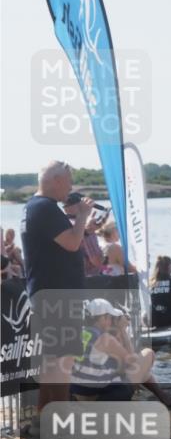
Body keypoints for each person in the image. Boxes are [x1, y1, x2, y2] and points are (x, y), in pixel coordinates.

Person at [20, 161, 92, 415]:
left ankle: (43, 417)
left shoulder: (34, 207)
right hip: (58, 295)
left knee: (52, 361)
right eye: (70, 182)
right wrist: (82, 216)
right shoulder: (44, 208)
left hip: (48, 294)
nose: (71, 189)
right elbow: (73, 243)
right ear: (58, 180)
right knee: (62, 361)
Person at [69, 298, 155, 402]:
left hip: (78, 391)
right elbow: (132, 361)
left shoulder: (81, 333)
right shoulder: (105, 338)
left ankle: (165, 398)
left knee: (128, 370)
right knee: (148, 354)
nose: (111, 321)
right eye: (110, 317)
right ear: (103, 318)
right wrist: (123, 330)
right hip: (100, 396)